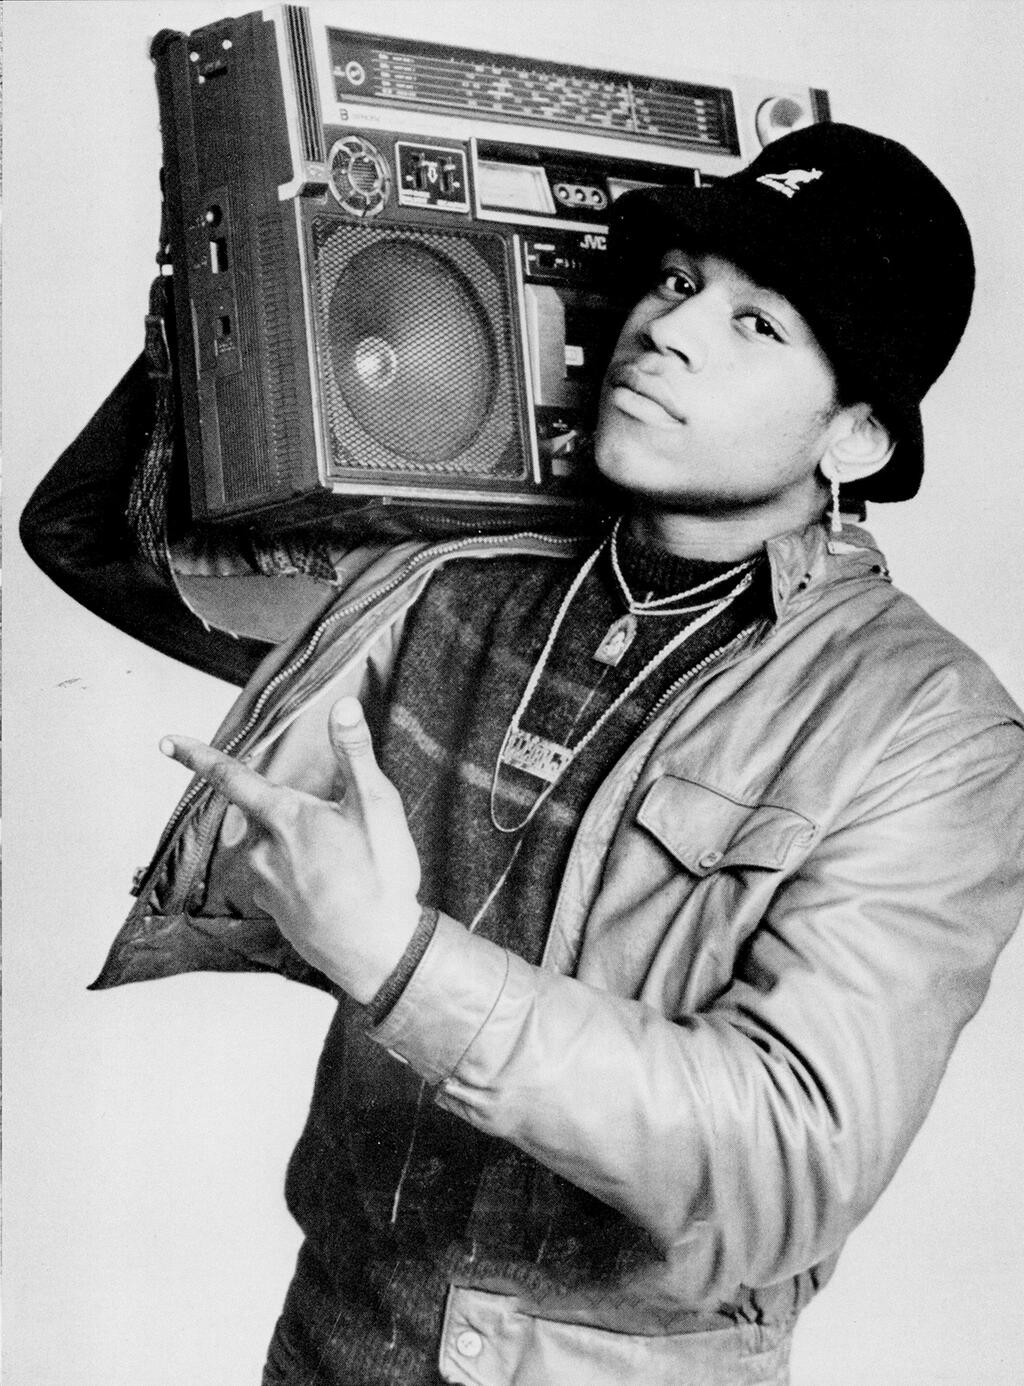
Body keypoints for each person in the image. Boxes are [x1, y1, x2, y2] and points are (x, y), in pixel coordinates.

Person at [22, 121, 1024, 1386]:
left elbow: (785, 1168)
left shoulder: (926, 725)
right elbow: (97, 536)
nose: (670, 329)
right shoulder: (459, 575)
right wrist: (234, 264)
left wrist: (397, 962)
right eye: (677, 282)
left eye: (756, 325)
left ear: (857, 440)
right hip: (333, 1339)